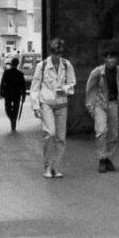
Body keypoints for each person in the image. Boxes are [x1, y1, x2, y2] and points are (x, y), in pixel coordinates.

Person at [30, 37, 76, 178]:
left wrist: (65, 88)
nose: (58, 56)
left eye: (60, 53)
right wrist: (36, 106)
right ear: (51, 53)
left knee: (61, 137)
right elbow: (35, 87)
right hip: (47, 103)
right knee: (50, 133)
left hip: (61, 103)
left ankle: (56, 166)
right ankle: (48, 166)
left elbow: (72, 82)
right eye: (55, 53)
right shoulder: (42, 66)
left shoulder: (67, 65)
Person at [85, 46, 119, 173]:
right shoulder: (97, 72)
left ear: (116, 59)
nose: (111, 60)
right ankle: (102, 158)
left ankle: (109, 158)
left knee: (113, 134)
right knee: (101, 131)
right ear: (104, 59)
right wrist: (90, 107)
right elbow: (90, 89)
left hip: (114, 104)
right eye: (108, 57)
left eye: (113, 57)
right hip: (100, 104)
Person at [0, 56, 27, 132]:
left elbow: (2, 82)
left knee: (7, 108)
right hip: (17, 94)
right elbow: (23, 86)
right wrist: (24, 96)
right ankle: (13, 119)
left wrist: (0, 92)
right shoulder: (20, 74)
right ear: (17, 64)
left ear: (11, 63)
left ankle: (12, 119)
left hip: (8, 93)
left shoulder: (7, 72)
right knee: (16, 108)